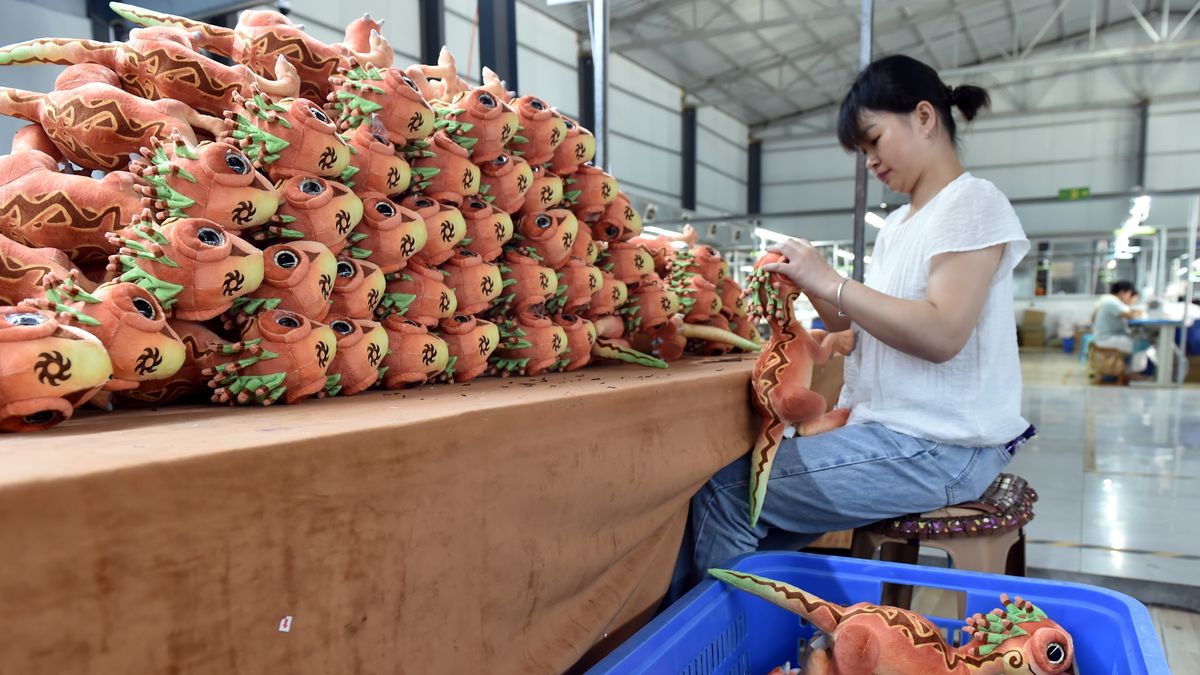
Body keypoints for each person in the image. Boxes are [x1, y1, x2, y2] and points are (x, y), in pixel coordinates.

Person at [669, 54, 1033, 599]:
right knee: (745, 517)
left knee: (725, 496)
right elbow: (865, 323)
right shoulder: (899, 226)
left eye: (874, 140)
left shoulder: (972, 204)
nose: (869, 161)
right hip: (899, 433)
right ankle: (763, 636)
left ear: (925, 117)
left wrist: (832, 282)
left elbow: (940, 334)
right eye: (862, 151)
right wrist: (808, 279)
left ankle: (715, 648)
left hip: (941, 446)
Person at [1092, 280, 1143, 356]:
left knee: (1140, 342)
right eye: (1129, 294)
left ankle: (1135, 366)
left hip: (1106, 337)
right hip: (1107, 339)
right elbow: (1129, 315)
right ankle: (1136, 368)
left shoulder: (1110, 300)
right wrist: (1141, 311)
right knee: (1142, 345)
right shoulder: (1112, 302)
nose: (1129, 297)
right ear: (1122, 292)